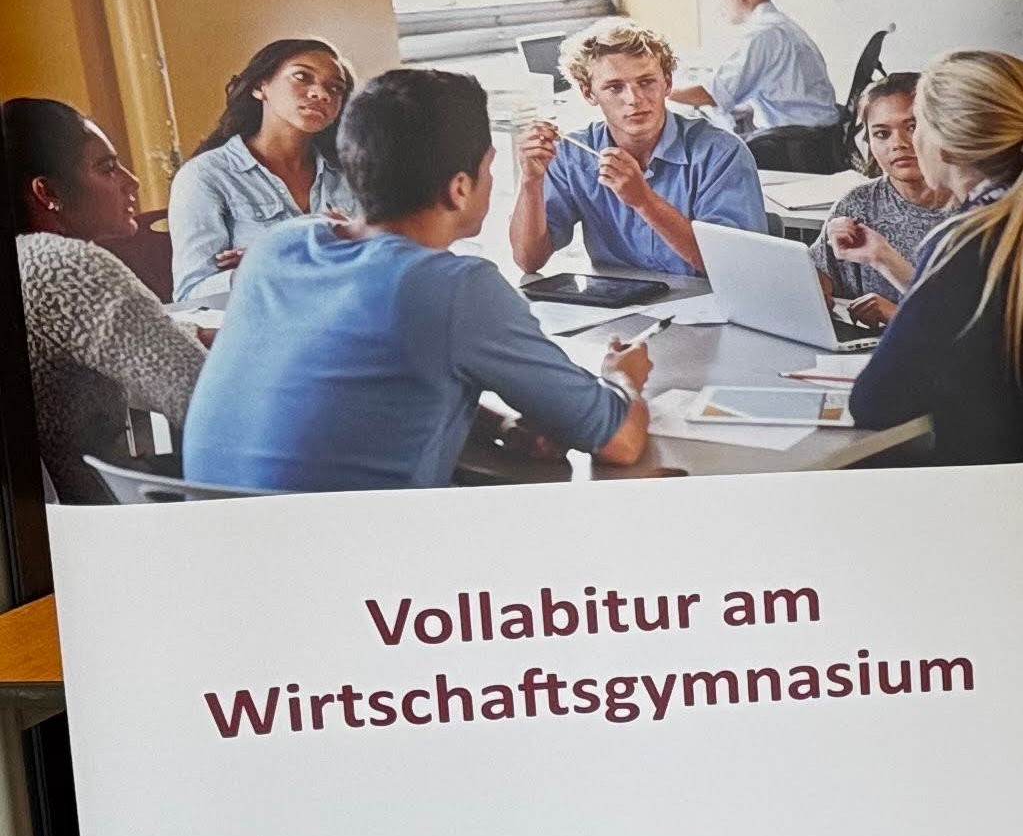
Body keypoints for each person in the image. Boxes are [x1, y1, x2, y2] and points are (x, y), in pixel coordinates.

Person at [183, 69, 652, 491]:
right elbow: (619, 442)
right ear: (460, 188)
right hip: (352, 553)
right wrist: (620, 377)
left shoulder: (277, 248)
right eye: (488, 168)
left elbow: (355, 388)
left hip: (217, 538)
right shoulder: (454, 287)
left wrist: (500, 426)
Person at [849, 50, 1023, 465]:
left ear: (945, 144)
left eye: (916, 125)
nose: (908, 141)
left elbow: (876, 401)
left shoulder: (964, 241)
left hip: (984, 477)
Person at [9, 100, 204, 504]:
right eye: (107, 168)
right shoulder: (68, 267)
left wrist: (192, 333)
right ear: (48, 192)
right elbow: (205, 399)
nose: (132, 181)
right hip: (106, 510)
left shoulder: (25, 259)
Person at [511, 17, 767, 277]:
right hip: (617, 300)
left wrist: (644, 201)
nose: (634, 99)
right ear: (589, 93)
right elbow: (528, 261)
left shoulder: (720, 153)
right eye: (615, 87)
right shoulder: (573, 155)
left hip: (708, 299)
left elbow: (734, 267)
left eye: (646, 82)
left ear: (667, 83)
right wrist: (531, 182)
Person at [164, 36, 357, 305]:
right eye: (302, 77)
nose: (321, 94)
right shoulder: (204, 176)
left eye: (335, 88)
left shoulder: (354, 174)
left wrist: (284, 256)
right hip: (265, 325)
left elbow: (386, 262)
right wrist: (263, 268)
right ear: (259, 86)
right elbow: (191, 295)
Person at [672, 0, 851, 172]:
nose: (717, 5)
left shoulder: (763, 34)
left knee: (699, 158)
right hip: (818, 140)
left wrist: (662, 90)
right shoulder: (783, 27)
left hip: (794, 145)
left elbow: (711, 95)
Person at [811, 72, 957, 328]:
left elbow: (975, 326)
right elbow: (819, 274)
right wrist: (815, 290)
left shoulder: (975, 210)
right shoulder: (857, 204)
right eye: (881, 134)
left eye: (912, 127)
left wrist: (897, 315)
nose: (898, 143)